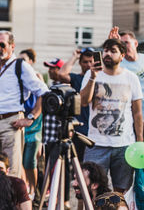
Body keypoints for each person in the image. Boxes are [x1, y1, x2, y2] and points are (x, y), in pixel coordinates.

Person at [0, 30, 48, 178]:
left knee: (12, 172)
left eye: (2, 44)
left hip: (11, 123)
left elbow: (43, 92)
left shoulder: (21, 66)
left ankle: (13, 201)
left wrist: (30, 118)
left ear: (12, 46)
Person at [80, 38, 143, 193]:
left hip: (123, 145)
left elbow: (137, 113)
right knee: (89, 189)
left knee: (121, 191)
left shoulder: (131, 78)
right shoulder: (91, 74)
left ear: (122, 56)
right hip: (96, 144)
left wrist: (140, 140)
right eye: (106, 50)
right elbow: (83, 101)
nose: (107, 53)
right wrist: (93, 77)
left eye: (113, 51)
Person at [58, 48, 94, 161]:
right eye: (85, 62)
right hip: (79, 128)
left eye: (91, 61)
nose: (88, 65)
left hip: (95, 129)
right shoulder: (77, 78)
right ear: (80, 63)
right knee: (77, 162)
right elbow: (62, 74)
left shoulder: (100, 78)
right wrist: (74, 57)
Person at [18, 48, 44, 201]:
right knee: (20, 160)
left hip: (34, 124)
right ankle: (26, 188)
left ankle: (34, 191)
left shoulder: (37, 77)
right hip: (21, 122)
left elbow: (41, 102)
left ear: (31, 61)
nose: (21, 63)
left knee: (30, 161)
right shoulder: (18, 78)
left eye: (24, 60)